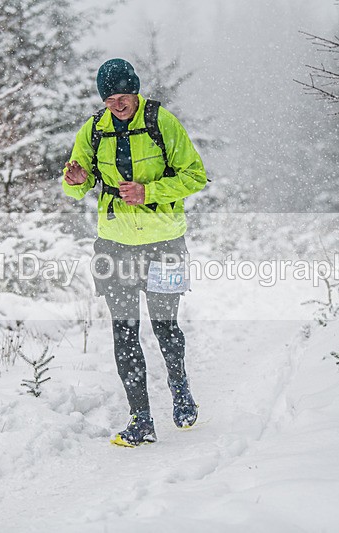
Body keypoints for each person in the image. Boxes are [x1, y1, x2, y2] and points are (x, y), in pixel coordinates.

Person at [62, 58, 208, 447]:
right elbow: (77, 184)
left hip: (164, 244)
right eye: (109, 100)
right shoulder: (94, 129)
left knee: (165, 326)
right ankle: (141, 419)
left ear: (135, 91)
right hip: (114, 245)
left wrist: (150, 192)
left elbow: (195, 175)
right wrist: (75, 180)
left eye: (122, 97)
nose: (117, 105)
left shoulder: (162, 122)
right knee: (124, 330)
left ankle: (180, 388)